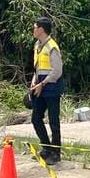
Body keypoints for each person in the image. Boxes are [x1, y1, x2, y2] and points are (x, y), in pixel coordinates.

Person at [30, 16, 66, 164]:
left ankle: (56, 153)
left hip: (51, 87)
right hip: (40, 86)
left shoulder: (52, 47)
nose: (33, 30)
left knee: (53, 121)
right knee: (36, 118)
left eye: (35, 27)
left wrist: (42, 83)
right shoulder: (37, 45)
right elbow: (38, 67)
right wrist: (34, 81)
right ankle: (46, 148)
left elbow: (57, 71)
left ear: (41, 29)